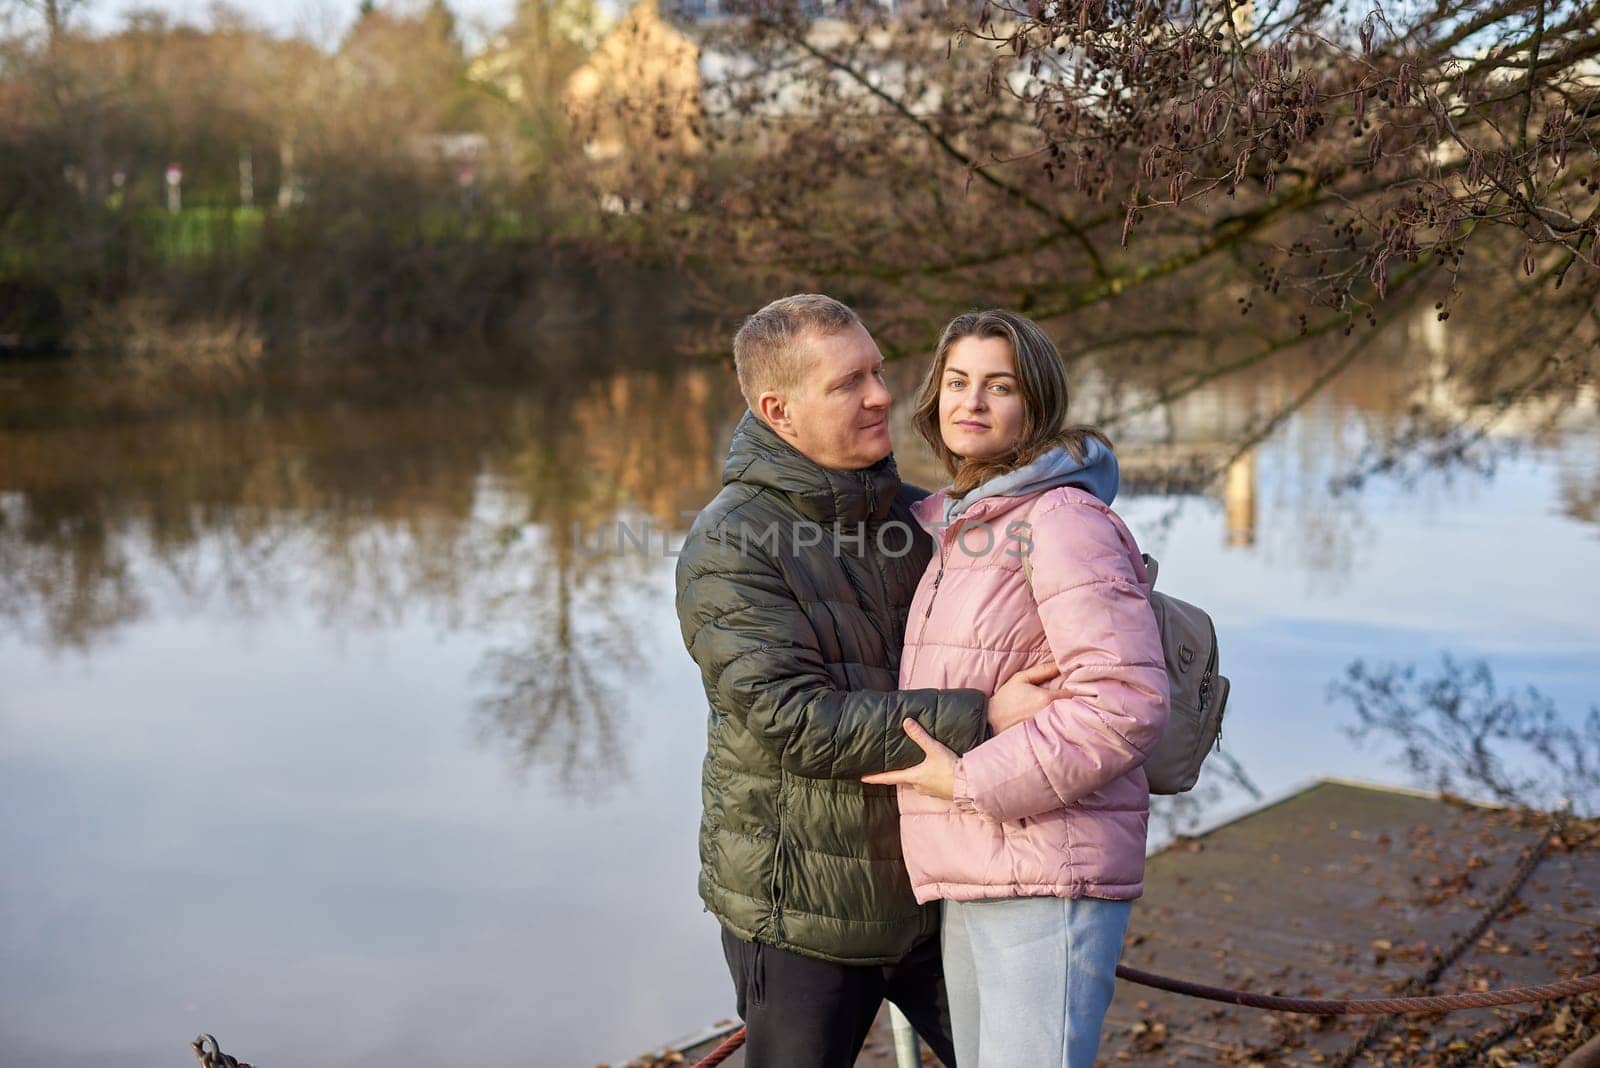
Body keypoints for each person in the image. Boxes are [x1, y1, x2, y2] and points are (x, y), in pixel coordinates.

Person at [674, 294, 1069, 1068]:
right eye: (849, 382)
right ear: (778, 409)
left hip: (942, 890)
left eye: (879, 371)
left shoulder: (927, 518)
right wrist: (986, 716)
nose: (884, 394)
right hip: (804, 916)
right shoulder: (730, 544)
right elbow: (792, 718)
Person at [863, 309, 1170, 1068]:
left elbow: (1125, 705)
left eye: (998, 386)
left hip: (1045, 868)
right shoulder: (963, 524)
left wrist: (967, 779)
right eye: (958, 383)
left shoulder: (1063, 519)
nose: (971, 402)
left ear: (1035, 402)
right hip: (982, 862)